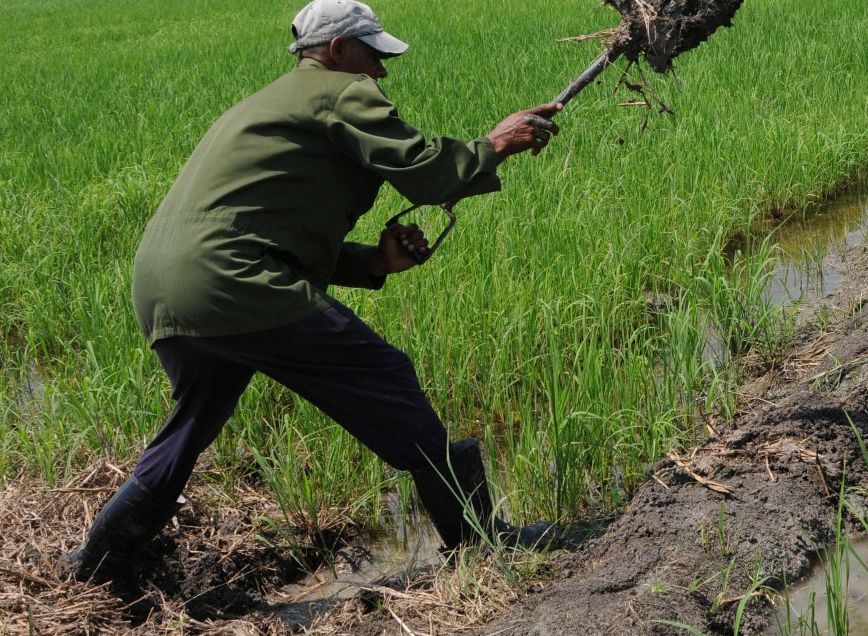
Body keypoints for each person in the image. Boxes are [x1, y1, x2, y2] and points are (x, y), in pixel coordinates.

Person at [68, 0, 562, 581]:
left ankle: (98, 566)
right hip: (232, 280)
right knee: (387, 376)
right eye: (373, 54)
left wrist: (374, 261)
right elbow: (425, 173)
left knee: (193, 423)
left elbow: (267, 229)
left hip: (165, 284)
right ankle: (481, 541)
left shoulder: (262, 103)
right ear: (336, 51)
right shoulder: (337, 91)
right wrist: (495, 144)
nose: (380, 70)